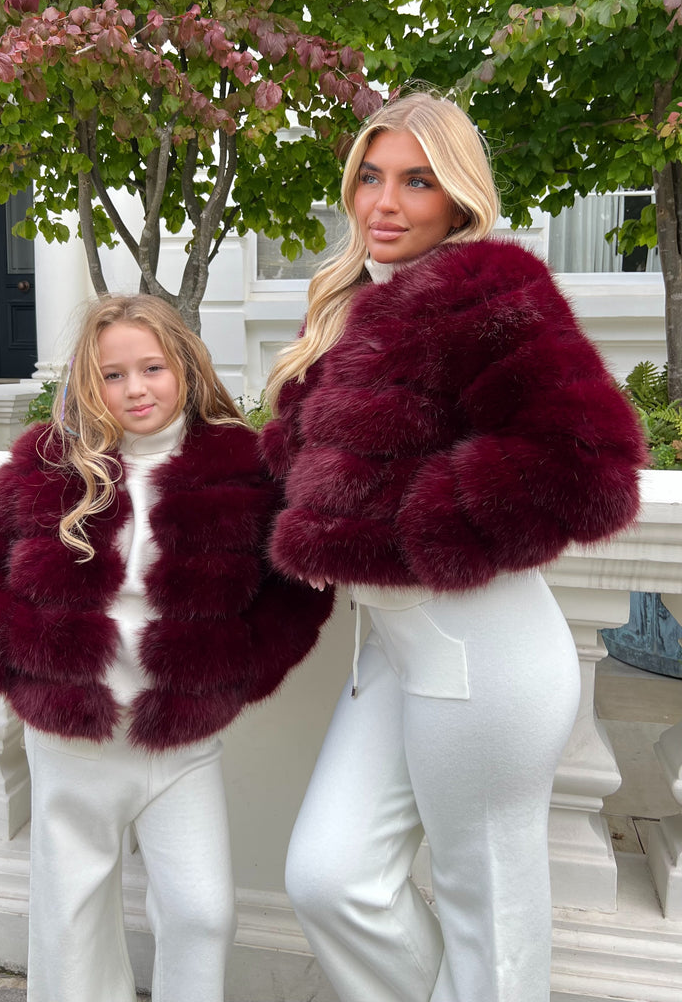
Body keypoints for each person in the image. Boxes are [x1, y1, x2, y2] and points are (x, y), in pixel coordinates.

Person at [261, 90, 647, 1002]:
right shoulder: (351, 307)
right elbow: (307, 466)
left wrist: (406, 526)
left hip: (486, 650)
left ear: (458, 196)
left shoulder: (491, 292)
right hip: (395, 654)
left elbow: (591, 463)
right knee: (330, 878)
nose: (385, 203)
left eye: (417, 182)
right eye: (371, 177)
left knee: (489, 914)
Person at [0, 294, 332, 1002]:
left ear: (184, 364)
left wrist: (234, 668)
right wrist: (23, 662)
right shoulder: (49, 464)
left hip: (179, 741)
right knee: (71, 923)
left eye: (152, 367)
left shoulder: (241, 470)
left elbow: (295, 590)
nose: (135, 389)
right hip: (71, 736)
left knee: (202, 914)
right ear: (90, 383)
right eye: (113, 374)